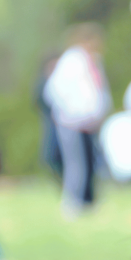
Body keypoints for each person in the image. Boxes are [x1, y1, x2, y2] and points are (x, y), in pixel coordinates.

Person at [42, 23, 111, 218]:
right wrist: (73, 111)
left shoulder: (93, 61)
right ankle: (72, 202)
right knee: (76, 164)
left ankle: (88, 201)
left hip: (89, 124)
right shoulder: (71, 61)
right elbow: (54, 91)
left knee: (91, 162)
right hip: (72, 122)